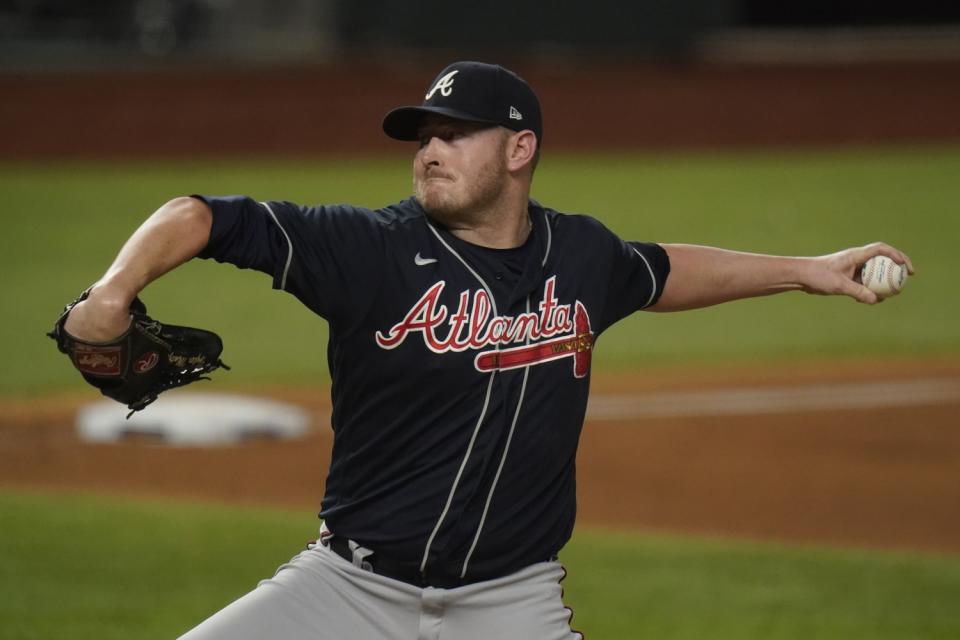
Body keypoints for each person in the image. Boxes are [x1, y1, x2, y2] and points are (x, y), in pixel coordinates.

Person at [63, 61, 913, 640]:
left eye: (455, 132)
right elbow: (203, 214)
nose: (428, 149)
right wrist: (112, 296)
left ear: (519, 149)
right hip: (349, 589)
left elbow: (661, 272)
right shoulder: (363, 249)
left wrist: (807, 270)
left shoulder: (580, 257)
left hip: (513, 603)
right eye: (422, 134)